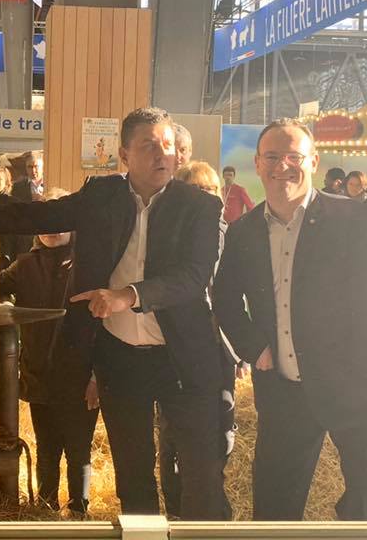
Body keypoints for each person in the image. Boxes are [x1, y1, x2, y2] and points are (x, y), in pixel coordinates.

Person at [0, 107, 230, 519]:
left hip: (183, 357)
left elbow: (194, 276)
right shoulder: (102, 195)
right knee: (132, 475)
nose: (162, 154)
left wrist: (127, 296)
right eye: (148, 145)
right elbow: (31, 215)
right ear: (124, 154)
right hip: (120, 357)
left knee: (202, 476)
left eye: (167, 145)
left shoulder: (200, 206)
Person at [212, 118, 367, 521]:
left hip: (352, 388)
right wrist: (253, 346)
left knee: (366, 499)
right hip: (283, 390)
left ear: (313, 160)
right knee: (275, 505)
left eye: (293, 156)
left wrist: (366, 374)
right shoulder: (243, 232)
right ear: (257, 164)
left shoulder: (352, 219)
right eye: (272, 157)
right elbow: (223, 299)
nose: (283, 166)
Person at [0, 187, 99, 516]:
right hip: (39, 374)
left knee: (79, 449)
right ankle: (45, 508)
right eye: (47, 220)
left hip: (81, 376)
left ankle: (80, 510)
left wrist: (98, 376)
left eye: (61, 221)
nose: (54, 228)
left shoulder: (90, 265)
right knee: (47, 447)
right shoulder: (24, 265)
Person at [157, 161, 237, 519]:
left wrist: (240, 350)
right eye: (198, 190)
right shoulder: (172, 238)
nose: (207, 197)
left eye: (212, 190)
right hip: (175, 355)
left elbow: (233, 299)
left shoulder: (229, 237)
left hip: (218, 353)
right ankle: (179, 512)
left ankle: (210, 515)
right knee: (170, 442)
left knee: (218, 436)